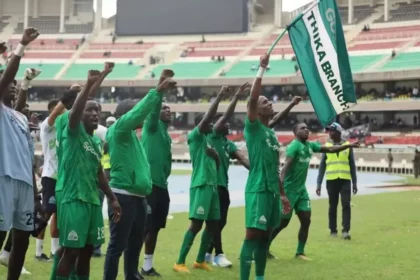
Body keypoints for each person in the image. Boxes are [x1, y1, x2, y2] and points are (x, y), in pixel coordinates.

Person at [103, 69, 176, 280]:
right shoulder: (119, 129)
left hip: (138, 196)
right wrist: (157, 90)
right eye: (136, 113)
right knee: (118, 245)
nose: (142, 118)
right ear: (127, 114)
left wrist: (160, 90)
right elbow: (140, 112)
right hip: (123, 195)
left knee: (135, 244)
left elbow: (146, 112)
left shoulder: (132, 137)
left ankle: (132, 276)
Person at [54, 70, 121, 280]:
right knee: (70, 251)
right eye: (89, 110)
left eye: (97, 111)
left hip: (92, 201)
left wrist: (112, 198)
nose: (95, 114)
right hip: (73, 198)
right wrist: (88, 85)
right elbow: (74, 113)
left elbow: (98, 172)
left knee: (86, 253)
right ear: (80, 112)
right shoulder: (73, 133)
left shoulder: (96, 142)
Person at [269, 123, 360, 261]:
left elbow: (330, 149)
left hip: (301, 190)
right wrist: (282, 194)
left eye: (307, 128)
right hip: (289, 191)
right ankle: (263, 247)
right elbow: (284, 170)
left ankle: (300, 252)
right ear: (295, 133)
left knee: (306, 220)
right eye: (302, 128)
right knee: (283, 223)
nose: (306, 130)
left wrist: (348, 145)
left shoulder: (310, 146)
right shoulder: (294, 146)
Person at [239, 54, 291, 280]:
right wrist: (261, 69)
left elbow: (274, 168)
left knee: (264, 238)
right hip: (258, 190)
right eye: (264, 102)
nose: (269, 103)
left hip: (271, 193)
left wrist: (282, 195)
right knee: (252, 236)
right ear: (256, 111)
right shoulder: (253, 129)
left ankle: (259, 277)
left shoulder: (271, 134)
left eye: (268, 101)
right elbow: (251, 100)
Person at [173, 86, 229, 273]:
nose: (213, 124)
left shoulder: (209, 142)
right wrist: (220, 95)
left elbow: (217, 167)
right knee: (196, 225)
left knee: (212, 225)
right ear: (201, 124)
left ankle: (199, 260)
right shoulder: (195, 137)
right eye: (210, 122)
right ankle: (179, 262)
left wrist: (217, 158)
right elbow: (207, 118)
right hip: (201, 185)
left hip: (212, 186)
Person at [0, 27, 40, 280]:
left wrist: (36, 192)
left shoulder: (20, 118)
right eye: (10, 85)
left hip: (25, 184)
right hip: (3, 179)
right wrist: (22, 46)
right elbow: (7, 76)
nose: (13, 87)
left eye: (16, 86)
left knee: (21, 241)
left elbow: (28, 156)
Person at [204, 82, 251, 268]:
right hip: (212, 185)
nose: (229, 123)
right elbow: (227, 115)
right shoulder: (213, 136)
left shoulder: (227, 143)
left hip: (223, 186)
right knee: (215, 221)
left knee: (220, 222)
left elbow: (243, 159)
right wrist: (237, 97)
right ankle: (218, 254)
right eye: (225, 122)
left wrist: (258, 168)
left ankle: (207, 252)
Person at [140, 77, 173, 277]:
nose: (168, 110)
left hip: (162, 186)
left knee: (155, 229)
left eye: (170, 109)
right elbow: (153, 109)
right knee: (145, 228)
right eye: (164, 108)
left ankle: (147, 266)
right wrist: (160, 91)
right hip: (149, 186)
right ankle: (132, 266)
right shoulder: (151, 127)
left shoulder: (166, 134)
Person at [316, 122, 358, 240]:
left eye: (332, 131)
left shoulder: (348, 145)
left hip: (345, 180)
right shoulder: (327, 145)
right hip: (331, 180)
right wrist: (318, 183)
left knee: (346, 204)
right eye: (329, 131)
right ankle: (333, 230)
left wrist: (354, 182)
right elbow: (322, 165)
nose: (330, 133)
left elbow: (352, 165)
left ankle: (346, 230)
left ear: (339, 132)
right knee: (332, 205)